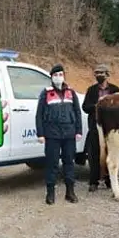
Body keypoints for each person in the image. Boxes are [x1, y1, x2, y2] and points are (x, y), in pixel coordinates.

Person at [35, 63, 83, 205]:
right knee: (52, 164)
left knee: (69, 163)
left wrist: (78, 131)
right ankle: (50, 193)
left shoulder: (71, 92)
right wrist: (40, 134)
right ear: (51, 77)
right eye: (55, 75)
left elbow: (77, 113)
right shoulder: (46, 92)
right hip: (52, 134)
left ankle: (70, 192)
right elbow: (39, 115)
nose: (58, 77)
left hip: (69, 134)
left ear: (64, 76)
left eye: (60, 74)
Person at [81, 63, 119, 192]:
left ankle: (110, 181)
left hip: (110, 129)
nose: (98, 75)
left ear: (107, 75)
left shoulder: (115, 90)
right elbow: (85, 107)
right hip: (95, 127)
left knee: (111, 154)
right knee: (94, 155)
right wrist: (97, 105)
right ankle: (94, 182)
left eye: (101, 73)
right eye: (96, 73)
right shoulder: (91, 90)